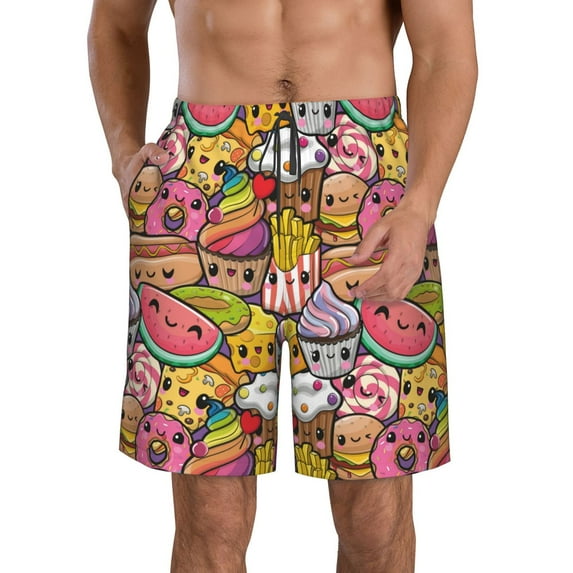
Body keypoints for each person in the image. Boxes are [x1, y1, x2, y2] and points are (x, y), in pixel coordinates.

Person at [88, 0, 477, 571]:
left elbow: (446, 49)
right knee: (210, 515)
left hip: (364, 182)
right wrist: (125, 155)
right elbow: (115, 25)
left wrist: (420, 204)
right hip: (206, 175)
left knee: (374, 511)